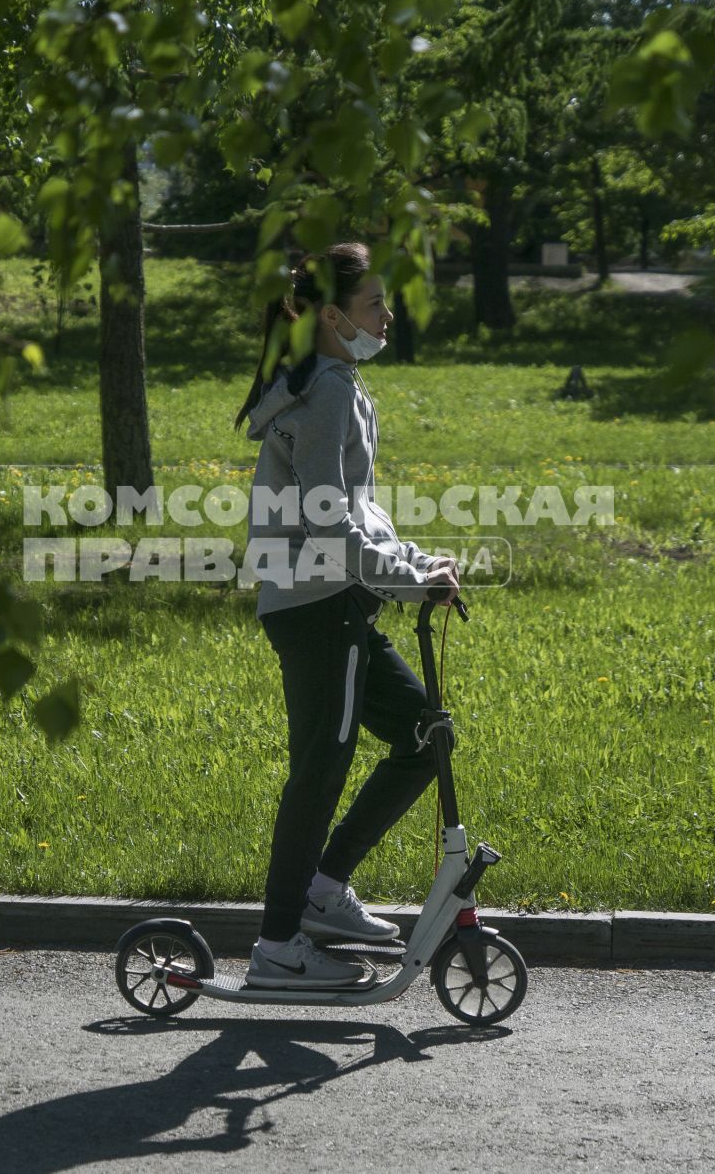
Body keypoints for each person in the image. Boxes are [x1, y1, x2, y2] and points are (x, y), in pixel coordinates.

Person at [234, 241, 460, 989]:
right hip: (317, 603)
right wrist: (405, 581)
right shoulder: (328, 391)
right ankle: (276, 944)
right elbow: (331, 526)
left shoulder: (336, 381)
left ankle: (324, 895)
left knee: (425, 735)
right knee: (320, 771)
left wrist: (415, 564)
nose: (388, 316)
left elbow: (358, 510)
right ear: (332, 315)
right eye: (374, 304)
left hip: (337, 601)